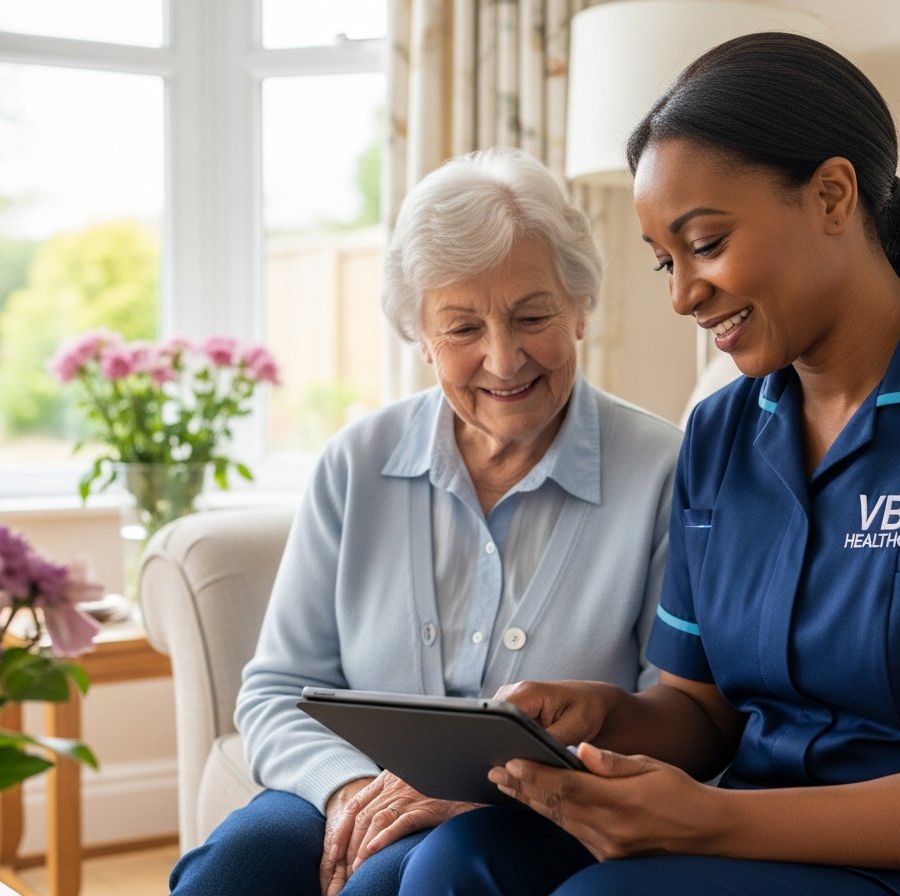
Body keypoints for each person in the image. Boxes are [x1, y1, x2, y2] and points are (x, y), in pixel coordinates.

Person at [394, 32, 900, 896]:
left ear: (832, 194)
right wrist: (602, 716)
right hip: (760, 840)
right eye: (665, 261)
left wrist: (710, 819)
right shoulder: (721, 431)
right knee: (458, 866)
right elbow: (701, 710)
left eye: (706, 243)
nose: (682, 295)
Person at [167, 147, 683, 896]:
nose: (504, 360)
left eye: (531, 316)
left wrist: (481, 791)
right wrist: (349, 791)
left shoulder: (665, 470)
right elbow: (276, 688)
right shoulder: (357, 461)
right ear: (418, 335)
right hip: (363, 788)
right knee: (236, 870)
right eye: (463, 328)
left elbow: (672, 723)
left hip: (545, 815)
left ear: (579, 308)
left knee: (395, 881)